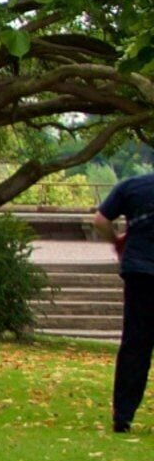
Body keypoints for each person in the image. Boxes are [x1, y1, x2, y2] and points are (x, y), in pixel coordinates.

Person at [99, 169, 154, 430]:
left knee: (135, 343)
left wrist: (117, 242)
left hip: (139, 271)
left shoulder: (131, 186)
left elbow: (100, 220)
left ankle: (123, 414)